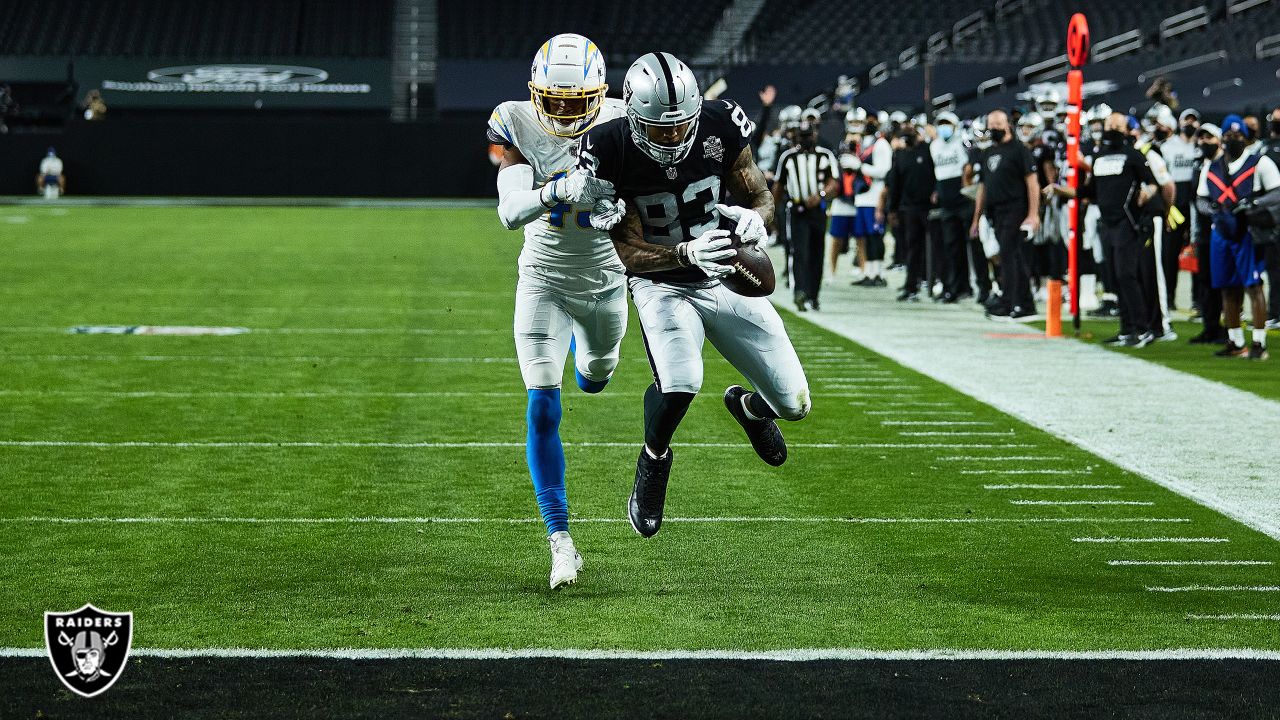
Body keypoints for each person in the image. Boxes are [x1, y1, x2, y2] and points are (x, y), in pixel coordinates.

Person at [581, 52, 811, 538]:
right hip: (662, 283)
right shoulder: (610, 146)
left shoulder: (720, 122)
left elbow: (762, 195)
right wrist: (686, 254)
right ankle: (653, 462)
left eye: (680, 125)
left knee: (794, 404)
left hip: (725, 272)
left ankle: (748, 409)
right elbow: (628, 253)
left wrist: (758, 219)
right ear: (633, 115)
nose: (672, 137)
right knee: (682, 381)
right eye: (659, 128)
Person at [486, 33, 627, 589]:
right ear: (534, 92)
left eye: (576, 101)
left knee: (595, 377)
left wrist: (625, 206)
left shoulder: (626, 120)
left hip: (605, 279)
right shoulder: (514, 120)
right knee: (543, 406)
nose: (564, 113)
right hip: (542, 276)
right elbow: (510, 211)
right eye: (556, 100)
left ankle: (583, 353)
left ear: (601, 94)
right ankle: (560, 540)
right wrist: (558, 191)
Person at [1076, 112, 1162, 347]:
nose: (1112, 128)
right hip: (1107, 223)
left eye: (1117, 125)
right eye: (1109, 124)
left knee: (1127, 275)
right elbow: (1090, 191)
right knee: (1114, 277)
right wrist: (1062, 190)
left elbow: (1154, 183)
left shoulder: (1132, 155)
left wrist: (1147, 193)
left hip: (1127, 222)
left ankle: (1143, 328)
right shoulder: (1099, 157)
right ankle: (1126, 329)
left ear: (1125, 129)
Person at [1197, 114, 1277, 360]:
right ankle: (1235, 341)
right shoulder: (1212, 166)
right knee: (1227, 289)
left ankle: (1259, 343)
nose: (1233, 140)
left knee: (1253, 286)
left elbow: (1277, 193)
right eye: (1229, 136)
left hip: (1247, 232)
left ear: (1246, 137)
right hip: (1221, 233)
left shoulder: (1259, 162)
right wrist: (1209, 209)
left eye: (1238, 136)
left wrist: (1254, 202)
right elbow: (1200, 198)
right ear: (1223, 138)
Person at [971, 109, 1040, 318]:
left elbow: (1032, 183)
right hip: (996, 213)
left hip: (1015, 209)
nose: (994, 129)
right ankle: (1025, 303)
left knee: (1009, 256)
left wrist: (1033, 214)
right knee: (1014, 257)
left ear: (1008, 125)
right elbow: (983, 187)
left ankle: (1009, 301)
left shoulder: (1019, 150)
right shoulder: (988, 153)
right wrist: (977, 217)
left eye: (998, 125)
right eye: (991, 126)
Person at [773, 109, 839, 311]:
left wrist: (819, 194)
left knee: (817, 252)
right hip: (797, 209)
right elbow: (778, 186)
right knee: (799, 251)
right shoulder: (788, 157)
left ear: (815, 135)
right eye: (802, 136)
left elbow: (834, 184)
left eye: (808, 136)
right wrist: (771, 213)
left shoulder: (825, 155)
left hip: (817, 210)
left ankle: (814, 295)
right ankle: (800, 291)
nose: (805, 140)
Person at [885, 122, 935, 301]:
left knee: (935, 247)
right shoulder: (900, 156)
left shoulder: (929, 150)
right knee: (912, 249)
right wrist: (892, 209)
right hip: (909, 208)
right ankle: (911, 285)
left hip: (929, 207)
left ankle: (934, 281)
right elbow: (895, 185)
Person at [1188, 123, 1227, 345]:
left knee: (1223, 280)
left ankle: (1227, 327)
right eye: (1201, 138)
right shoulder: (1199, 165)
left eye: (1209, 138)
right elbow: (1196, 203)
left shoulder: (1226, 164)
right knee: (1205, 280)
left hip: (1224, 229)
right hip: (1204, 231)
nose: (1204, 142)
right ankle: (1210, 326)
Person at [931, 111, 972, 302]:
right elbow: (937, 172)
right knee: (951, 248)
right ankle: (954, 287)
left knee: (971, 248)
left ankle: (969, 287)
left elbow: (968, 168)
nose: (944, 127)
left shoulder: (962, 143)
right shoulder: (935, 146)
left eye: (948, 123)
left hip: (963, 199)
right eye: (941, 123)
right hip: (946, 202)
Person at [850, 110, 893, 286]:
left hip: (875, 197)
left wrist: (860, 167)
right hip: (862, 197)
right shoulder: (862, 143)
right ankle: (868, 272)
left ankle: (878, 273)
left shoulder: (881, 144)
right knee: (864, 237)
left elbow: (885, 170)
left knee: (875, 236)